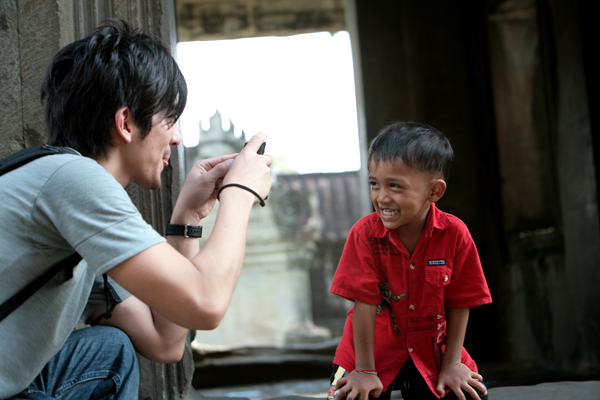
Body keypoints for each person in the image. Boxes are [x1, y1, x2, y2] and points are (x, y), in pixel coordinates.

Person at [0, 19, 272, 399]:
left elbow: (164, 342)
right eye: (169, 120)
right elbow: (206, 304)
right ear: (126, 123)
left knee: (110, 351)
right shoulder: (73, 179)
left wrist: (186, 220)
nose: (176, 138)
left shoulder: (68, 187)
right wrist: (241, 192)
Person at [328, 122, 492, 400]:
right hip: (368, 354)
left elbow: (461, 301)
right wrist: (365, 370)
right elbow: (364, 304)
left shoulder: (454, 233)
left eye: (395, 186)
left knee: (472, 396)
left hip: (433, 353)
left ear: (434, 191)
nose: (381, 197)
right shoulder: (364, 234)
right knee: (349, 396)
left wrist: (452, 365)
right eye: (375, 184)